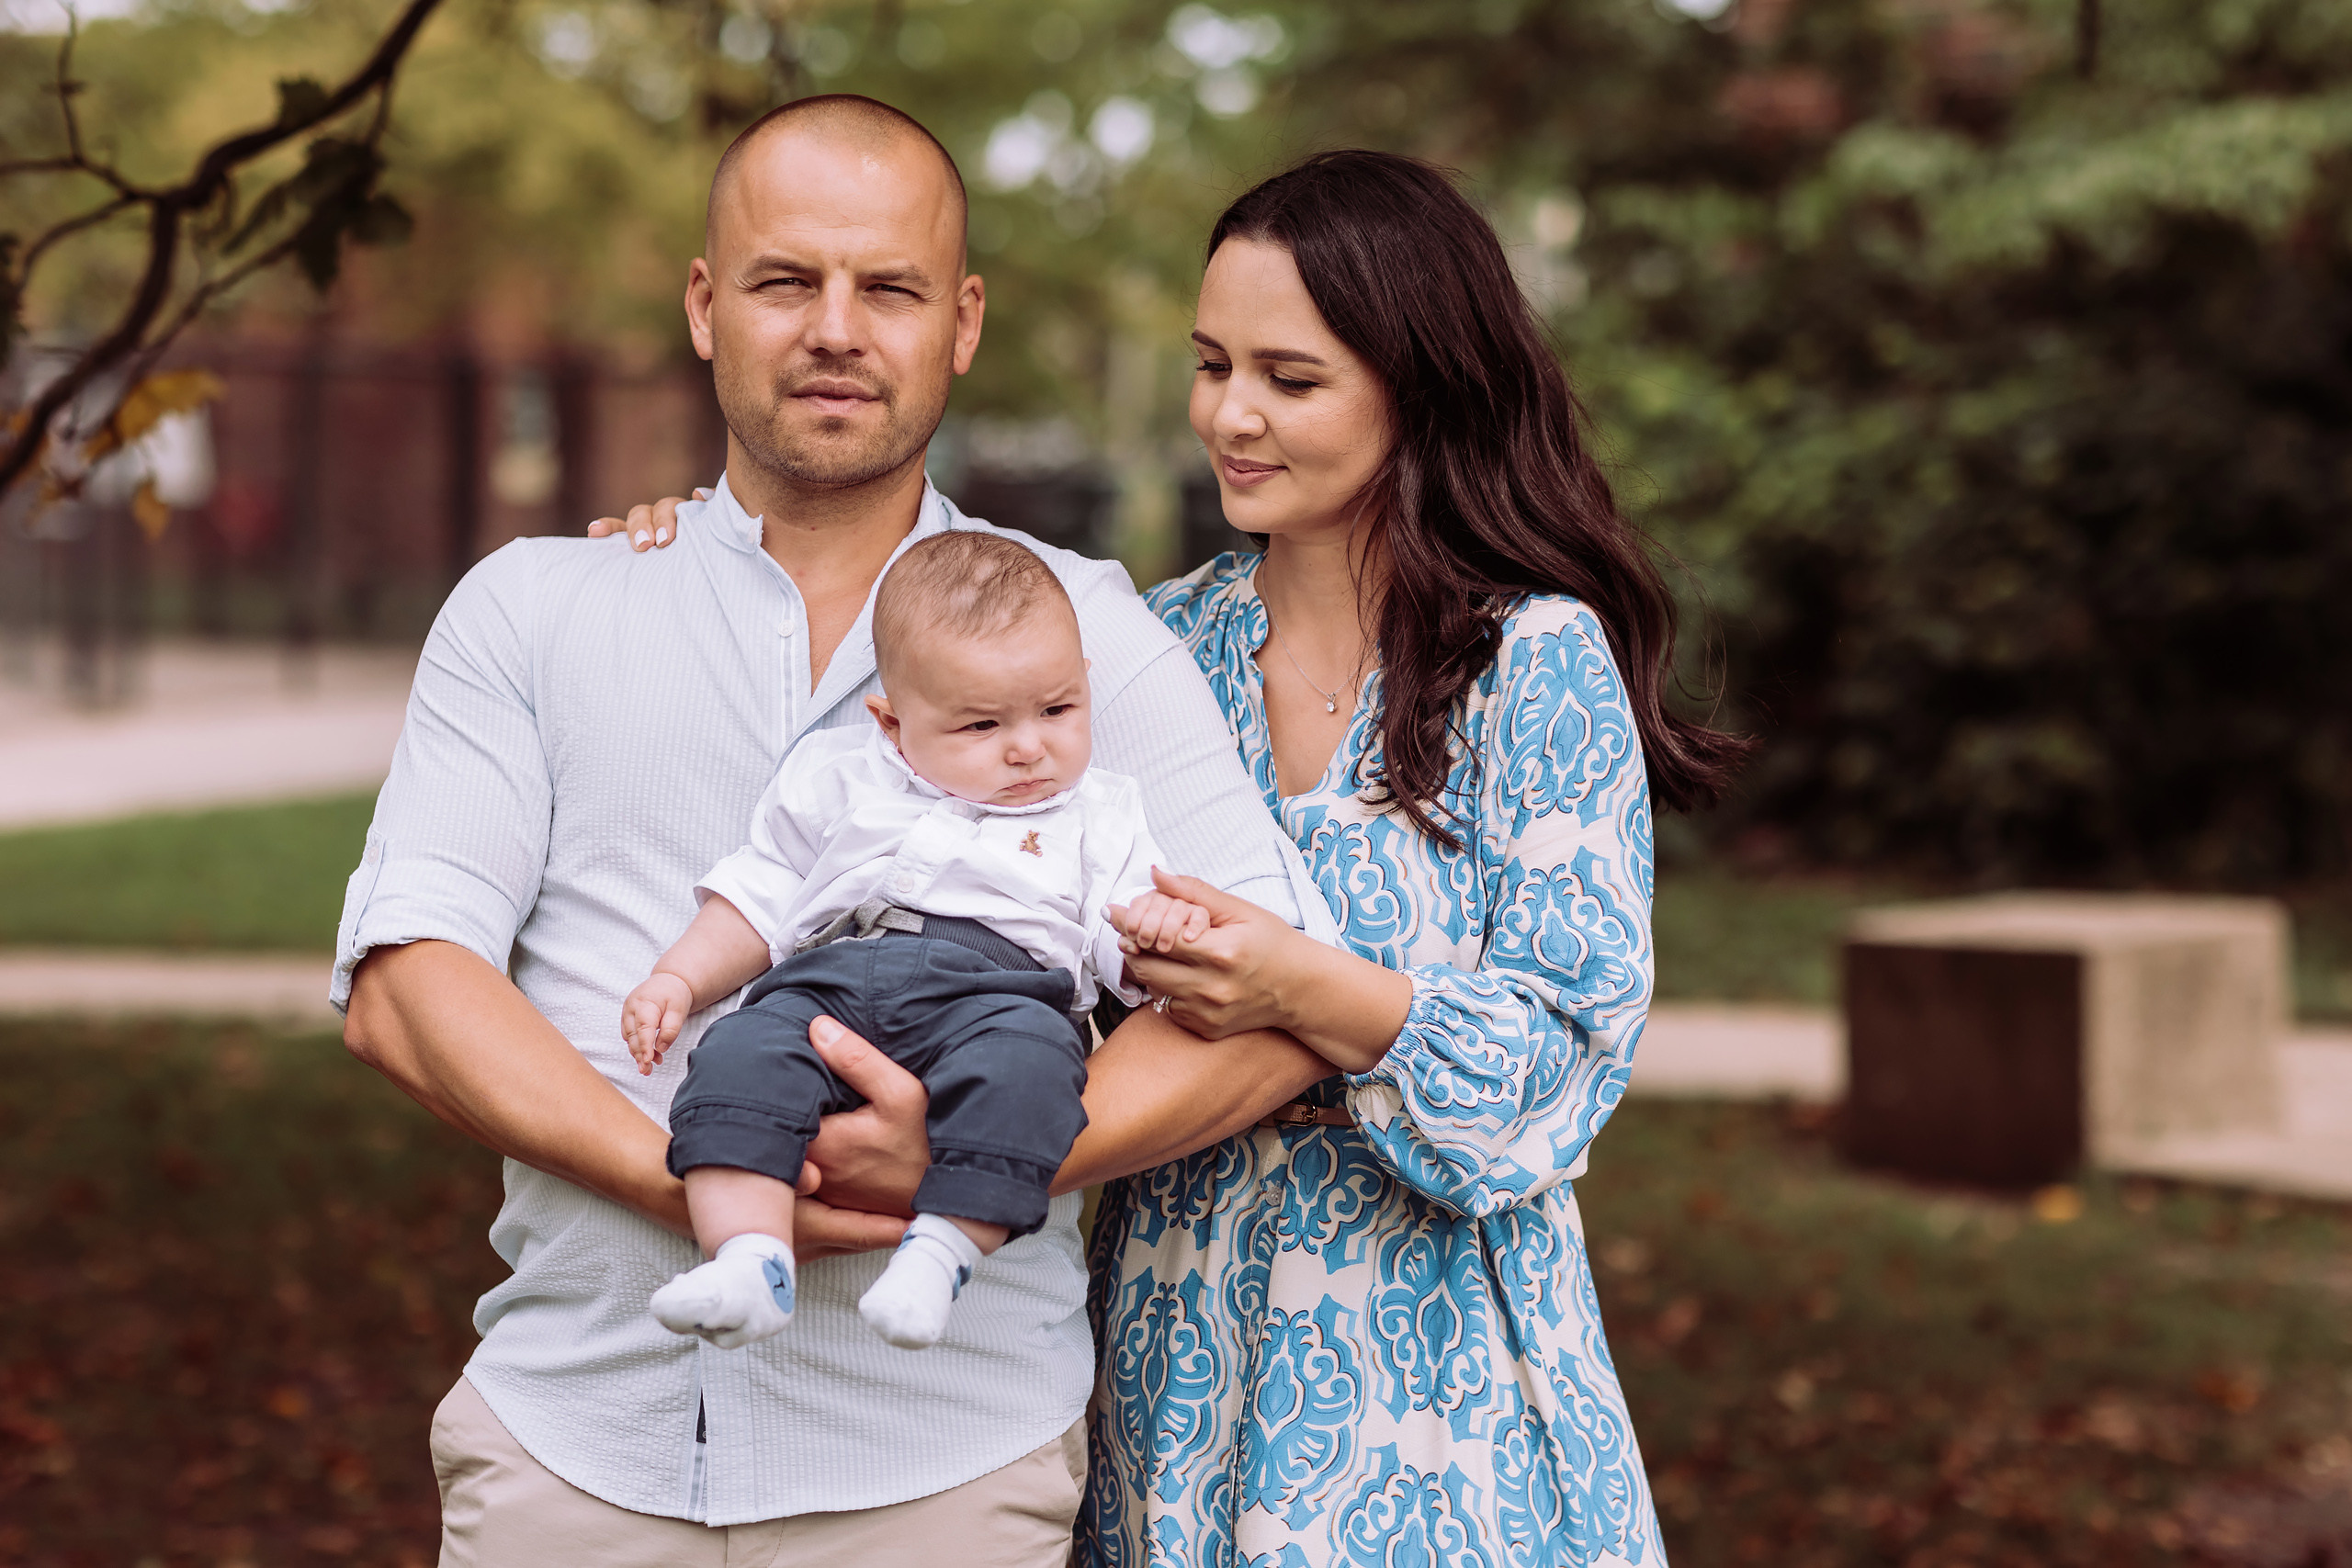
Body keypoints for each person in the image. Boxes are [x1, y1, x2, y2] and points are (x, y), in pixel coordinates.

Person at [602, 146, 1749, 1563]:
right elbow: (930, 705)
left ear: (1421, 383)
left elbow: (1559, 1068)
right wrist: (686, 545)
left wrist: (1300, 984)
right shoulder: (1152, 645)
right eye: (1212, 365)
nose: (1231, 414)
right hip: (1172, 1338)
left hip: (1438, 1375)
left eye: (1291, 377)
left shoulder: (1532, 662)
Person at [335, 94, 1339, 1567]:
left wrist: (967, 1159)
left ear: (962, 321)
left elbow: (1276, 999)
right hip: (573, 1447)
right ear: (705, 306)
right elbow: (406, 985)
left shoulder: (1086, 638)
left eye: (889, 288)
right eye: (784, 280)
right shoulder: (535, 608)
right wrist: (692, 1174)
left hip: (940, 1469)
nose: (835, 329)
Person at [621, 532, 1211, 1354]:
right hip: (828, 978)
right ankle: (750, 1258)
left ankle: (939, 1256)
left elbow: (1121, 926)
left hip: (1004, 996)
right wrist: (677, 978)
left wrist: (1156, 932)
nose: (1029, 747)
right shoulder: (838, 772)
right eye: (981, 724)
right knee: (739, 1059)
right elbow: (761, 891)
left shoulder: (1099, 811)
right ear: (893, 723)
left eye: (1057, 709)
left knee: (1033, 1079)